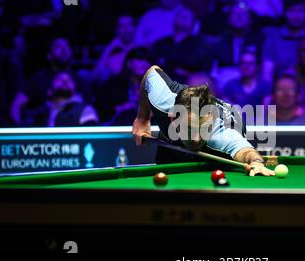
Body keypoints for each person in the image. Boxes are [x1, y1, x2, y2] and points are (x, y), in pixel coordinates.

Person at [132, 65, 274, 177]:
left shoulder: (221, 134)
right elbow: (152, 72)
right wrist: (142, 118)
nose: (196, 139)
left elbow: (247, 152)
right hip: (172, 143)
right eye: (190, 129)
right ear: (173, 118)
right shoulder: (163, 99)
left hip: (215, 153)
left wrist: (257, 162)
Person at [152, 7, 210, 83]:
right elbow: (155, 62)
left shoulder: (198, 44)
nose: (183, 19)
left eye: (186, 17)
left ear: (193, 23)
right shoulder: (162, 43)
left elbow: (197, 65)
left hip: (188, 81)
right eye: (180, 16)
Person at [96, 47, 151, 125]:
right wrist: (120, 108)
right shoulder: (113, 84)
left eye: (147, 60)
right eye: (139, 59)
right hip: (119, 125)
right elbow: (102, 109)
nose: (144, 63)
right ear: (129, 63)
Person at [22, 72, 99, 127]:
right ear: (49, 91)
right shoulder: (39, 113)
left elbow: (90, 139)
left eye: (69, 80)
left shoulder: (84, 110)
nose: (65, 81)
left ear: (75, 90)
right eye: (59, 79)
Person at [93, 15, 137, 84]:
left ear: (135, 27)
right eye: (122, 26)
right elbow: (97, 72)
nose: (126, 29)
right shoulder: (111, 48)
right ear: (117, 30)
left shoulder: (140, 46)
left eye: (129, 25)